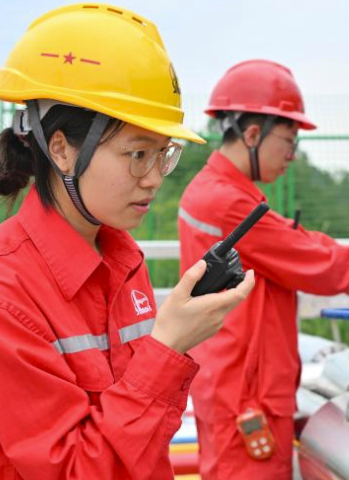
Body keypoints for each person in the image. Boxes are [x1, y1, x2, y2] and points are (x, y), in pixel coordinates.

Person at [0, 5, 255, 479]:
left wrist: (171, 346)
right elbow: (72, 470)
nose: (155, 178)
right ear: (60, 148)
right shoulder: (9, 292)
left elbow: (146, 437)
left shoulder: (121, 257)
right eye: (138, 154)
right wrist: (168, 347)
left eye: (164, 154)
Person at [178, 59, 349, 479]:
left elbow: (296, 244)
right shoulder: (228, 203)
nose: (292, 155)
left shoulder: (218, 193)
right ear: (250, 134)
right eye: (289, 140)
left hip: (235, 386)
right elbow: (313, 261)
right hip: (248, 398)